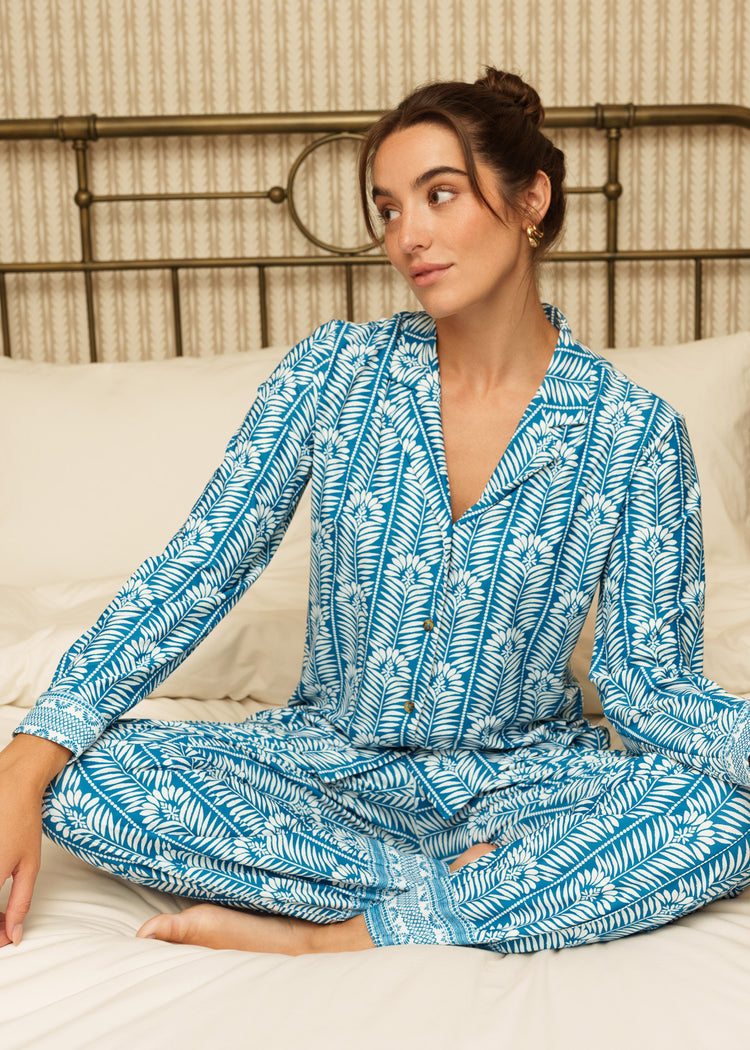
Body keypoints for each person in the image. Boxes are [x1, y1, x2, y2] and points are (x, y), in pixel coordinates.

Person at [2, 68, 750, 957]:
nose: (410, 236)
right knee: (88, 782)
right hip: (324, 772)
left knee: (716, 812)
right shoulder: (334, 374)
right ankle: (482, 894)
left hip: (524, 785)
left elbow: (649, 688)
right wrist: (35, 744)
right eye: (389, 209)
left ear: (531, 201)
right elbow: (204, 564)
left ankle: (342, 933)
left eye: (441, 195)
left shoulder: (632, 432)